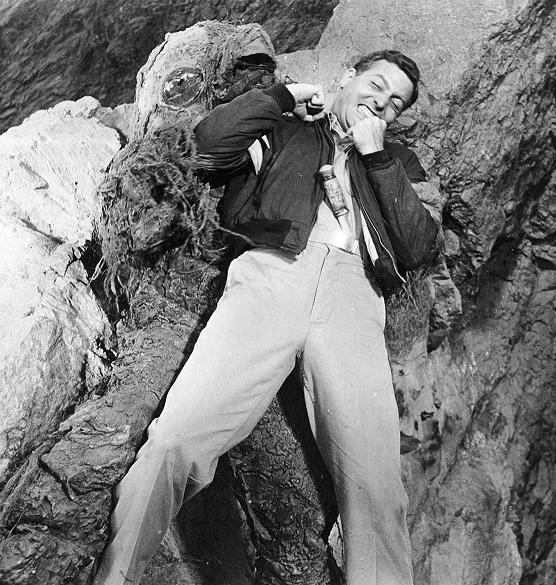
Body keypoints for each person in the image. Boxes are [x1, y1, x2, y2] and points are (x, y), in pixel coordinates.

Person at [94, 49, 439, 585]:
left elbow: (418, 247)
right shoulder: (286, 128)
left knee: (376, 484)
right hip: (273, 273)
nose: (381, 104)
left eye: (395, 104)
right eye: (376, 86)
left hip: (354, 296)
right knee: (177, 439)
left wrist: (376, 158)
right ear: (347, 77)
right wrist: (281, 97)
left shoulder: (398, 163)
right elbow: (206, 150)